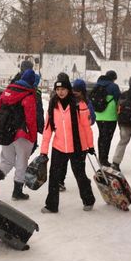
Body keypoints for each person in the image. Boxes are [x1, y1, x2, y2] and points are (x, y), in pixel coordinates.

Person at [40, 79, 96, 213]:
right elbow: (48, 129)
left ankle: (88, 199)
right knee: (54, 176)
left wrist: (90, 145)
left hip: (77, 146)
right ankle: (52, 205)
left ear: (68, 90)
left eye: (63, 89)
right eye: (58, 90)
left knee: (80, 174)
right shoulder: (53, 105)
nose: (60, 92)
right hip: (59, 146)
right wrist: (44, 151)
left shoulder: (79, 104)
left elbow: (86, 127)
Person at [0, 69, 37, 201]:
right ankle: (17, 192)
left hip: (7, 132)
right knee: (21, 162)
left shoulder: (7, 91)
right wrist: (33, 137)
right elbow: (31, 119)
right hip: (21, 134)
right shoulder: (28, 96)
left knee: (6, 160)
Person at [58, 78, 95, 191]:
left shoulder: (73, 101)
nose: (75, 92)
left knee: (69, 163)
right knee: (73, 164)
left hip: (74, 140)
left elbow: (90, 122)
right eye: (74, 90)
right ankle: (77, 181)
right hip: (74, 140)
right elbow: (91, 120)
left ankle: (65, 181)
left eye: (76, 90)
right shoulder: (83, 102)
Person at [93, 70, 121, 166]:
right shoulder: (114, 86)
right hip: (110, 116)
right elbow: (118, 99)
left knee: (101, 136)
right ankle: (104, 160)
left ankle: (101, 157)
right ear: (113, 78)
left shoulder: (97, 85)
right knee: (107, 138)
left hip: (98, 115)